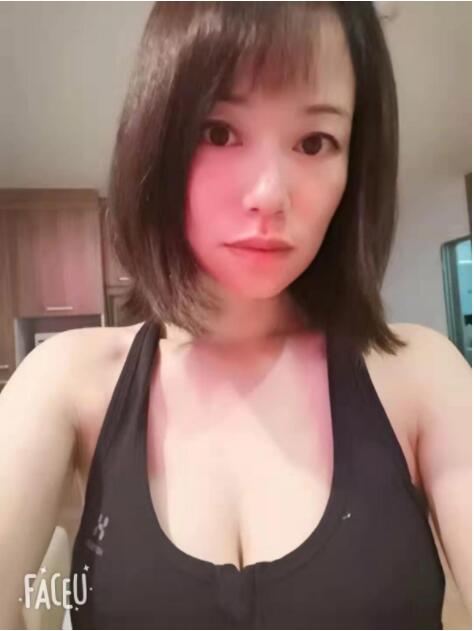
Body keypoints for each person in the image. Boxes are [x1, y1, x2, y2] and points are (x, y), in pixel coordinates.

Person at [0, 2, 471, 629]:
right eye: (219, 132)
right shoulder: (64, 382)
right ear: (157, 140)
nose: (269, 195)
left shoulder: (423, 377)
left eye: (314, 142)